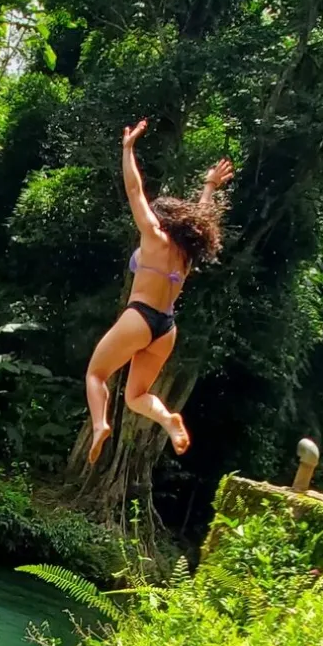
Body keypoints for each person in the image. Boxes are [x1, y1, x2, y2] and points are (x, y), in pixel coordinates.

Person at [86, 119, 232, 464]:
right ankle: (167, 419)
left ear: (162, 219)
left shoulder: (154, 236)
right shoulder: (186, 254)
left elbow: (134, 190)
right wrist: (210, 185)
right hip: (165, 329)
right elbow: (202, 216)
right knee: (136, 396)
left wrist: (128, 149)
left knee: (96, 374)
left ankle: (99, 424)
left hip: (139, 317)